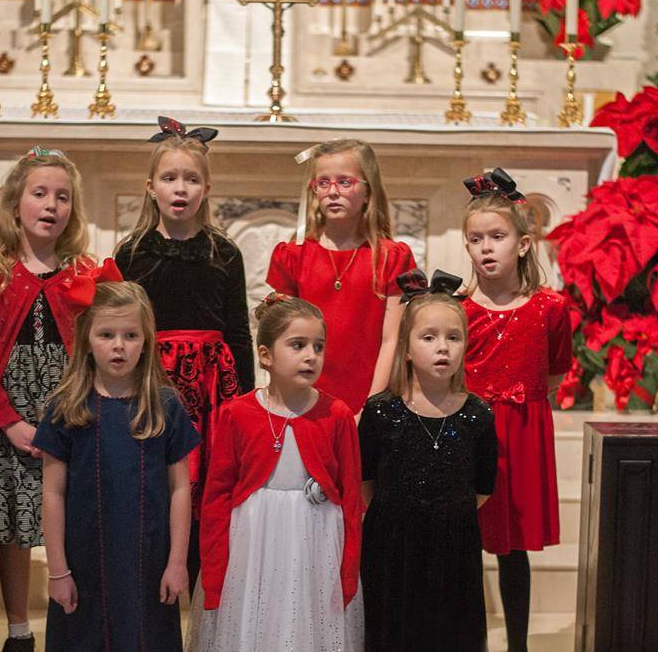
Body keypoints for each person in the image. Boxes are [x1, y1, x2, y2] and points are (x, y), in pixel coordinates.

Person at [0, 148, 100, 652]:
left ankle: (73, 625)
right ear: (15, 204)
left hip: (72, 409)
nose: (51, 205)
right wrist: (10, 423)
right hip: (11, 418)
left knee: (76, 519)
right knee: (17, 529)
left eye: (62, 197)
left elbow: (97, 346)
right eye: (39, 194)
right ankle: (19, 630)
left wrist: (78, 408)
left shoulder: (84, 271)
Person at [115, 116, 254, 583]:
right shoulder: (131, 253)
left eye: (191, 179)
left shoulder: (224, 253)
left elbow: (239, 333)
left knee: (206, 488)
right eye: (170, 178)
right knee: (157, 482)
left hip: (213, 389)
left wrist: (247, 405)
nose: (180, 189)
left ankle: (201, 581)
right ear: (150, 186)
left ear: (206, 188)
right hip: (154, 383)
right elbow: (118, 326)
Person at [34, 281, 201, 651]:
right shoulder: (66, 408)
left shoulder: (164, 405)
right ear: (86, 337)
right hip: (83, 564)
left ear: (147, 340)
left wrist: (177, 562)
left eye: (130, 335)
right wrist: (57, 570)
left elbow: (179, 489)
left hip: (149, 565)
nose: (119, 345)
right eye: (106, 334)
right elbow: (52, 492)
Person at [196, 293, 363, 652]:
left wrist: (348, 571)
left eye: (318, 347)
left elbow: (350, 498)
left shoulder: (337, 415)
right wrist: (213, 571)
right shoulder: (236, 414)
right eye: (298, 345)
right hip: (253, 541)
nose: (310, 356)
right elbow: (216, 497)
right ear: (266, 355)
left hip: (317, 541)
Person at [460, 169, 573, 652]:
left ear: (524, 244)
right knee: (464, 543)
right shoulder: (460, 310)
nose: (486, 248)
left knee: (512, 549)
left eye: (497, 237)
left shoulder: (549, 308)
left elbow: (554, 371)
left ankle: (519, 645)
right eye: (475, 239)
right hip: (469, 434)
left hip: (523, 433)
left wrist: (517, 401)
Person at [360, 269, 497, 652]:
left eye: (454, 338)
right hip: (392, 547)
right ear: (406, 348)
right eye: (429, 337)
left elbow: (483, 488)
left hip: (453, 546)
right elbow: (365, 481)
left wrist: (442, 514)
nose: (443, 348)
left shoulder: (478, 415)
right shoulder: (381, 413)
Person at [266, 139, 416, 413]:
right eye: (323, 183)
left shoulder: (391, 257)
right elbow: (286, 339)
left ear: (368, 191)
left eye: (345, 182)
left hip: (370, 397)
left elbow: (392, 340)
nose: (333, 192)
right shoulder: (293, 255)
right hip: (305, 399)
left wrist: (371, 408)